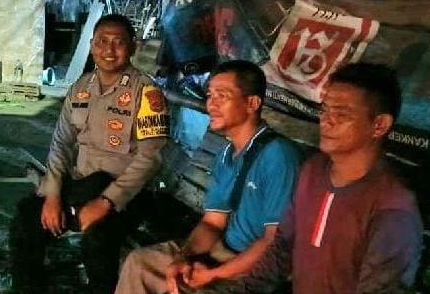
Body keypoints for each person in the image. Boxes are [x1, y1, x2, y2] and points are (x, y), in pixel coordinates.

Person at [9, 14, 170, 294]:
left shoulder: (147, 93)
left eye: (118, 42)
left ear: (133, 47)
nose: (109, 50)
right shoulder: (81, 88)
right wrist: (53, 194)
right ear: (92, 45)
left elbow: (150, 158)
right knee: (27, 217)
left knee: (98, 240)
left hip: (128, 195)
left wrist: (106, 202)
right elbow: (61, 143)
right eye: (102, 42)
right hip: (82, 186)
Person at [233, 62, 423, 294]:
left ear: (379, 125)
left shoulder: (392, 207)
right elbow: (282, 246)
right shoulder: (313, 171)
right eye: (325, 110)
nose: (327, 121)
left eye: (341, 114)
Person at [115, 60, 301, 294]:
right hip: (219, 251)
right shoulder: (226, 154)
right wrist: (183, 257)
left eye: (222, 96)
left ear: (252, 103)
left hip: (254, 267)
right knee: (140, 263)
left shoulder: (279, 155)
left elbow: (274, 242)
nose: (211, 103)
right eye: (210, 95)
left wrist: (213, 274)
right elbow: (213, 223)